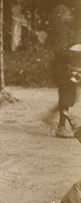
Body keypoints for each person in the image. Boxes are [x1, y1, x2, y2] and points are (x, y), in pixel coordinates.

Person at [49, 5, 77, 138]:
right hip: (62, 67)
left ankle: (50, 117)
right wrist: (72, 52)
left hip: (62, 66)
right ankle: (60, 127)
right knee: (67, 96)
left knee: (69, 96)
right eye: (66, 15)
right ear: (59, 17)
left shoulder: (61, 30)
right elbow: (60, 51)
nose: (68, 17)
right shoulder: (62, 31)